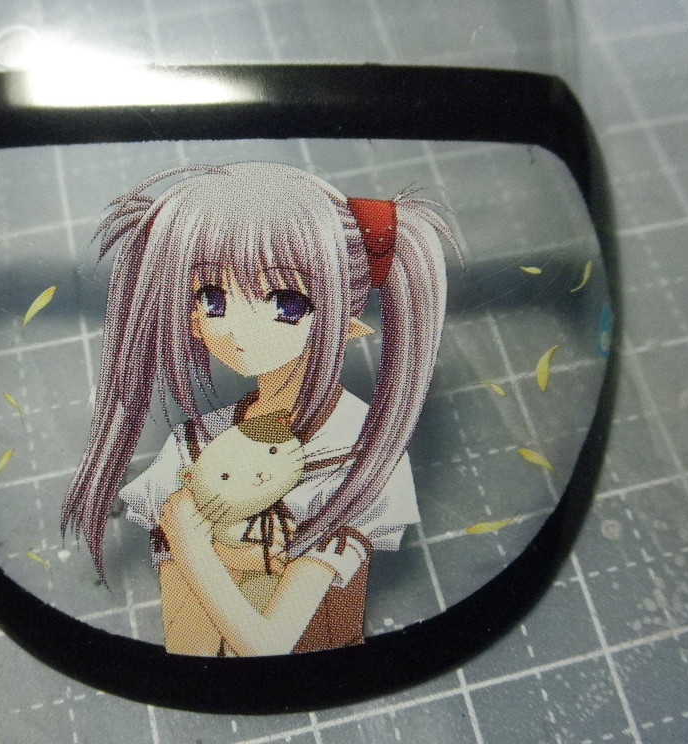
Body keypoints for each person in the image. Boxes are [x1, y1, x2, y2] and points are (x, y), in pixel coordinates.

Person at [61, 161, 459, 656]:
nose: (238, 329)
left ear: (344, 315)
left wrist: (192, 544)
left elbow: (269, 646)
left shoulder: (363, 456)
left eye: (286, 303)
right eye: (211, 297)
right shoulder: (192, 447)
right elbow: (187, 642)